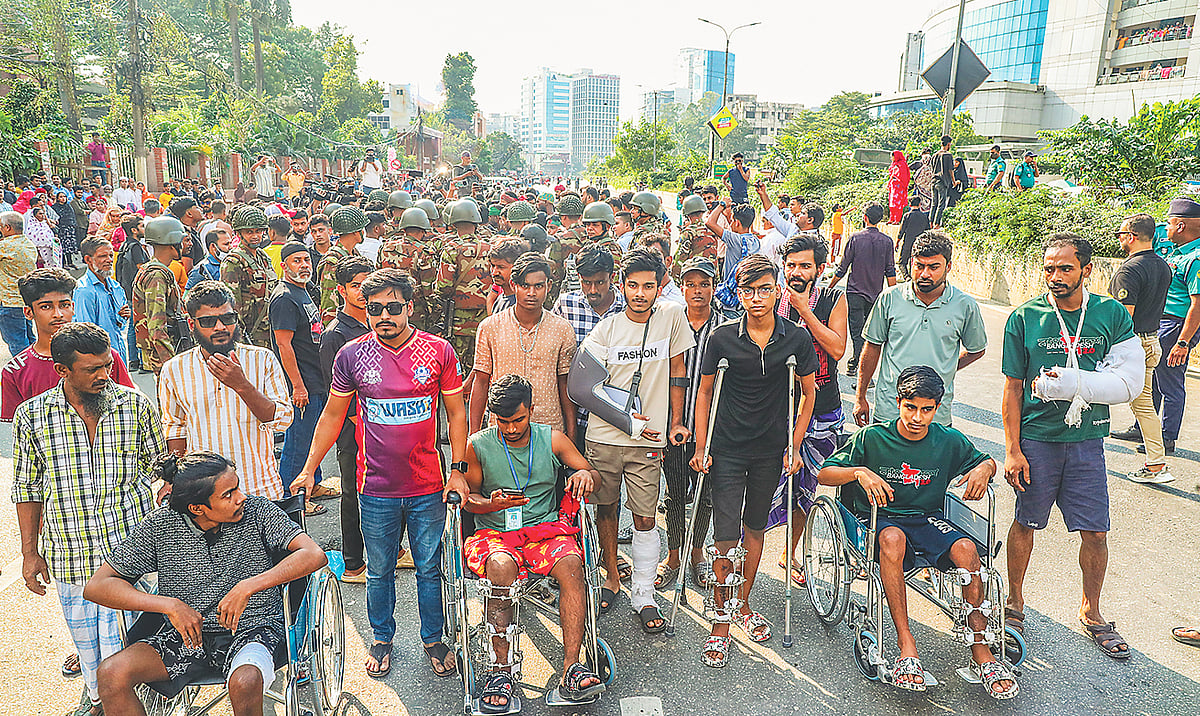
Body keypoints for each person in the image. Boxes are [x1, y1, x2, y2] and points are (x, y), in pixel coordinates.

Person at [291, 268, 468, 680]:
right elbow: (333, 414)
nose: (383, 316)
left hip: (428, 486)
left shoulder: (438, 350)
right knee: (379, 570)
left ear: (409, 307)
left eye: (392, 308)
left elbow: (457, 412)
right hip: (375, 488)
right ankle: (382, 637)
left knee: (428, 567)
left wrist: (457, 471)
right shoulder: (351, 354)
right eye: (375, 309)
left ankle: (433, 638)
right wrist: (308, 470)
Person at [818, 366, 1018, 698]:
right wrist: (859, 473)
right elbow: (826, 473)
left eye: (926, 409)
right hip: (880, 518)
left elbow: (985, 460)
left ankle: (981, 649)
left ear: (937, 408)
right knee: (892, 539)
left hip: (925, 518)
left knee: (968, 550)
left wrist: (985, 468)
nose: (917, 417)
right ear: (898, 402)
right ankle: (906, 645)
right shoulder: (872, 438)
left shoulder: (947, 440)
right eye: (910, 407)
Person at [85, 451, 327, 716]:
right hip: (186, 638)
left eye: (237, 487)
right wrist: (169, 605)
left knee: (245, 682)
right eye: (228, 494)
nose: (240, 497)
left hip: (254, 630)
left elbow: (313, 554)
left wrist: (248, 586)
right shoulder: (160, 527)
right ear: (197, 508)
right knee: (111, 674)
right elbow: (98, 586)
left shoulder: (257, 512)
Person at [1002, 234, 1142, 661]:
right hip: (1037, 441)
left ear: (1087, 269)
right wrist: (1012, 448)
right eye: (1049, 267)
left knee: (1096, 529)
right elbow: (1012, 389)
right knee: (1027, 522)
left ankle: (1092, 611)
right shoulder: (1025, 317)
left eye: (1065, 267)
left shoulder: (1110, 313)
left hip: (1086, 442)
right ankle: (1014, 604)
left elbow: (1127, 378)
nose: (1056, 275)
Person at [12, 323, 165, 716]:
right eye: (92, 370)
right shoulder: (32, 417)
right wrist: (30, 553)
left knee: (142, 648)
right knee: (91, 652)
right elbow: (27, 490)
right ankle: (103, 701)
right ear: (63, 371)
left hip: (134, 556)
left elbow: (161, 469)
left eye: (107, 364)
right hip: (72, 556)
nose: (104, 375)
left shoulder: (135, 406)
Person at [689, 254, 815, 666]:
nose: (756, 298)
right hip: (727, 447)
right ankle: (721, 619)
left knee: (755, 525)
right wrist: (701, 446)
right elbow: (705, 392)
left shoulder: (795, 339)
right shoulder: (722, 337)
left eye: (764, 289)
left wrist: (794, 445)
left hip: (770, 449)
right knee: (725, 533)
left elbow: (808, 393)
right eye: (747, 291)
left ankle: (743, 603)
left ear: (777, 290)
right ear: (737, 293)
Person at [461, 375, 605, 709]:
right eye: (503, 422)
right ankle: (501, 669)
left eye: (518, 420)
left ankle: (572, 667)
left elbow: (593, 477)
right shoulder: (479, 444)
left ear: (532, 410)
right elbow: (470, 501)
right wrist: (491, 504)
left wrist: (585, 475)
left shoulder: (552, 439)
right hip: (494, 533)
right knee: (500, 568)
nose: (510, 429)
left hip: (544, 531)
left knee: (572, 565)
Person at [577, 248, 693, 628]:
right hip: (604, 438)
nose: (640, 293)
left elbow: (679, 371)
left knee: (644, 517)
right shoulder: (607, 328)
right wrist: (625, 420)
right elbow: (581, 387)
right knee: (606, 510)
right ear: (622, 286)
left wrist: (676, 421)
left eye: (648, 285)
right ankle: (611, 577)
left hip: (650, 440)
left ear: (660, 286)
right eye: (633, 285)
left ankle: (643, 591)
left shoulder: (673, 317)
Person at [159, 280, 293, 501]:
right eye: (209, 321)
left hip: (259, 488)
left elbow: (283, 420)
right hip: (204, 493)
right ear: (192, 325)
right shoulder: (174, 369)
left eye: (228, 318)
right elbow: (175, 428)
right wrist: (172, 480)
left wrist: (242, 385)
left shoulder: (262, 359)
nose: (220, 327)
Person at [770, 234, 849, 586]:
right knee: (766, 481)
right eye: (791, 265)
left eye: (805, 265)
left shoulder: (834, 298)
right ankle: (747, 549)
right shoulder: (769, 297)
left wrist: (804, 310)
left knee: (807, 484)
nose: (797, 272)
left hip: (823, 409)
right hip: (776, 407)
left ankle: (791, 548)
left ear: (819, 268)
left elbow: (836, 348)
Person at [856, 231, 987, 427]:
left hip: (936, 416)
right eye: (919, 266)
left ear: (948, 267)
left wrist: (947, 369)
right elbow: (872, 347)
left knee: (934, 459)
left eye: (934, 267)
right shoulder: (889, 298)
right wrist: (860, 397)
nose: (925, 274)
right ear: (911, 263)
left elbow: (977, 350)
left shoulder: (965, 305)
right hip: (890, 412)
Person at [657, 257, 722, 591]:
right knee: (674, 493)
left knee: (706, 495)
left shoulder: (725, 326)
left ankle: (697, 553)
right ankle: (673, 554)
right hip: (674, 425)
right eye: (692, 284)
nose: (698, 291)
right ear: (682, 287)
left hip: (712, 427)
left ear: (714, 286)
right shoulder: (669, 321)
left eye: (705, 284)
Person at [470, 252, 577, 438]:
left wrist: (572, 435)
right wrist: (474, 435)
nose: (531, 293)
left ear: (548, 286)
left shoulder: (562, 329)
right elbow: (481, 381)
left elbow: (565, 384)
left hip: (549, 430)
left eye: (538, 286)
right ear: (514, 285)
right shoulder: (490, 327)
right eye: (525, 285)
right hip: (502, 428)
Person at [1106, 213, 1174, 483]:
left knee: (1089, 390)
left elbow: (1124, 316)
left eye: (1121, 234)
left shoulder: (1129, 270)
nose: (1120, 239)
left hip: (1130, 344)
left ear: (1131, 237)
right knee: (1144, 405)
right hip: (1151, 341)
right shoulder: (1162, 266)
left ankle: (1077, 457)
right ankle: (1156, 464)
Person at [319, 255, 374, 583]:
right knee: (353, 493)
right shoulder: (336, 334)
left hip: (380, 426)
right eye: (356, 286)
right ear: (341, 290)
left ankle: (393, 551)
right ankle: (353, 563)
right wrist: (359, 421)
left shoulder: (377, 322)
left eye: (367, 285)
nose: (363, 293)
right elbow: (335, 393)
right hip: (354, 429)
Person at [270, 242, 333, 512]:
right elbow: (284, 344)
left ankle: (313, 483)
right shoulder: (284, 298)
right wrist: (297, 385)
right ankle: (293, 498)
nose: (304, 265)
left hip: (314, 378)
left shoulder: (303, 291)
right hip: (301, 383)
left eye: (306, 260)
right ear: (284, 265)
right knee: (298, 443)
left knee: (312, 438)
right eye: (296, 261)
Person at [1150, 197, 1200, 458]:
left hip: (1176, 326)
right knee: (1155, 378)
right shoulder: (1180, 253)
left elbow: (1198, 305)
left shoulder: (1196, 259)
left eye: (1169, 224)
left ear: (1180, 226)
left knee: (1170, 382)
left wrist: (1183, 342)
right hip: (1166, 322)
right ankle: (1144, 428)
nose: (1165, 229)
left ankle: (1167, 438)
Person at [830, 203, 897, 376]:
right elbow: (890, 271)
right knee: (869, 333)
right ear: (880, 219)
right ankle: (858, 364)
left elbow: (842, 268)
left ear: (864, 217)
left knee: (857, 331)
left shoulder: (855, 238)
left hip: (855, 293)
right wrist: (895, 296)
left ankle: (857, 365)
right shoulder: (887, 241)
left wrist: (830, 287)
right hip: (875, 294)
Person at [434, 199, 492, 388]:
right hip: (486, 315)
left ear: (454, 223)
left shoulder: (451, 249)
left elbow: (443, 286)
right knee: (482, 362)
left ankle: (457, 399)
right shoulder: (490, 248)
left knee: (456, 363)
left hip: (458, 317)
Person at [132, 216, 187, 374]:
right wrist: (170, 362)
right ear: (172, 244)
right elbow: (156, 325)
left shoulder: (153, 269)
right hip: (164, 353)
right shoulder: (157, 276)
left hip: (167, 348)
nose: (185, 245)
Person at [222, 206, 278, 348]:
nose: (255, 236)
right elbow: (232, 305)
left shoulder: (263, 256)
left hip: (271, 329)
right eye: (249, 232)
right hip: (252, 333)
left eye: (258, 231)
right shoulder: (233, 262)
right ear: (239, 234)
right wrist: (239, 339)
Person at [73, 237, 132, 366]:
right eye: (102, 256)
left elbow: (119, 324)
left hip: (119, 352)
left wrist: (122, 317)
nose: (109, 260)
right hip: (100, 359)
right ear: (88, 260)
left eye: (111, 255)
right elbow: (86, 333)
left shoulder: (115, 287)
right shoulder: (84, 291)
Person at [705, 201, 761, 313]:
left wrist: (722, 204)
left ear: (737, 223)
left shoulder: (735, 239)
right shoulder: (756, 241)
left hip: (731, 300)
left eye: (732, 221)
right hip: (747, 295)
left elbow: (709, 222)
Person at [317, 206, 367, 323]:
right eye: (361, 228)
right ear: (355, 232)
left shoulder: (353, 253)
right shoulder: (332, 261)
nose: (363, 232)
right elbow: (329, 304)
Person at [0, 211, 39, 355]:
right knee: (29, 339)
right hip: (25, 300)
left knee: (17, 343)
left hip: (9, 302)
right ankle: (35, 371)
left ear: (8, 227)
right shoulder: (28, 244)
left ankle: (24, 374)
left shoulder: (5, 247)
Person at [672, 195, 718, 279]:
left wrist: (675, 279)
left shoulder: (688, 233)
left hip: (694, 276)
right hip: (711, 276)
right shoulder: (712, 230)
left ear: (687, 214)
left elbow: (679, 259)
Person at [894, 196, 930, 281]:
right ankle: (914, 277)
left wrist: (897, 241)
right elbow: (928, 231)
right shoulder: (924, 216)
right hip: (920, 244)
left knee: (902, 262)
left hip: (908, 242)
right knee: (915, 262)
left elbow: (901, 231)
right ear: (920, 204)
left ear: (910, 205)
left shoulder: (907, 216)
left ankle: (906, 277)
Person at [187, 225, 230, 289]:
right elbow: (188, 295)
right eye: (226, 244)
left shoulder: (230, 263)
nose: (230, 247)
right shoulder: (201, 270)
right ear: (213, 246)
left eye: (230, 243)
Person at [930, 135, 956, 228]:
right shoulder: (948, 155)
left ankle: (931, 222)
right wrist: (954, 181)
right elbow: (950, 170)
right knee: (941, 203)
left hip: (933, 181)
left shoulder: (934, 155)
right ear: (948, 144)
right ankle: (937, 224)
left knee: (934, 203)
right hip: (942, 182)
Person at [887, 151, 910, 224]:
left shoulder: (902, 164)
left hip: (899, 187)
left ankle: (897, 219)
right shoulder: (894, 164)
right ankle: (891, 218)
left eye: (892, 156)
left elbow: (904, 176)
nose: (891, 158)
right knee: (891, 203)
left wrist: (902, 184)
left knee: (898, 204)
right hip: (893, 187)